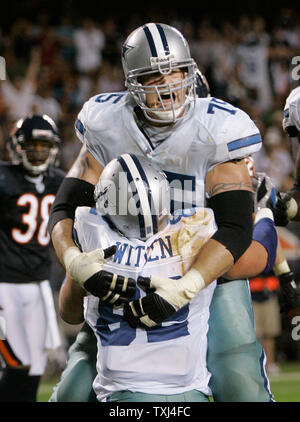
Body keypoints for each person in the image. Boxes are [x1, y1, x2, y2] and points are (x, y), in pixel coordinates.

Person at [48, 23, 276, 402]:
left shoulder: (217, 127)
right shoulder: (106, 122)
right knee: (73, 388)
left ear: (190, 71)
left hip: (203, 268)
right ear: (131, 82)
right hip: (124, 265)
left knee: (239, 380)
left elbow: (235, 228)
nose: (168, 83)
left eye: (177, 70)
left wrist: (186, 287)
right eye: (154, 74)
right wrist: (75, 262)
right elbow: (64, 210)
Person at [58, 154, 278, 402]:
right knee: (244, 379)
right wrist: (263, 213)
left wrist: (78, 274)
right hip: (188, 394)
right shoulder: (196, 232)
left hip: (120, 395)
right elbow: (260, 255)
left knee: (68, 391)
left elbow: (69, 313)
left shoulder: (92, 236)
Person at [0, 114, 65, 402]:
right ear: (18, 146)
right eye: (32, 145)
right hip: (5, 285)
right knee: (16, 364)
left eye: (43, 145)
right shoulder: (4, 177)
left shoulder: (60, 181)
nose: (38, 152)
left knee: (32, 370)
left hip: (38, 285)